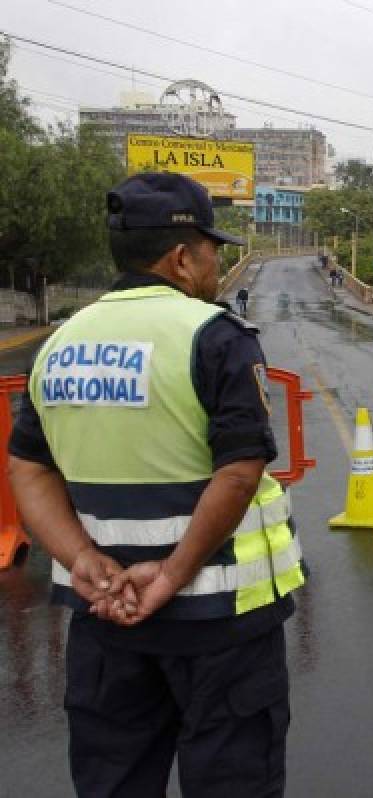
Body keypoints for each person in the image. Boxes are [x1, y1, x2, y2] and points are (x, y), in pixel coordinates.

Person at [6, 172, 306, 797]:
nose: (217, 264)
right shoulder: (214, 336)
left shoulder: (59, 344)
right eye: (212, 250)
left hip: (103, 620)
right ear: (180, 256)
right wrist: (170, 575)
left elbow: (28, 468)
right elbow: (240, 469)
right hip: (219, 625)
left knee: (115, 782)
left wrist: (83, 559)